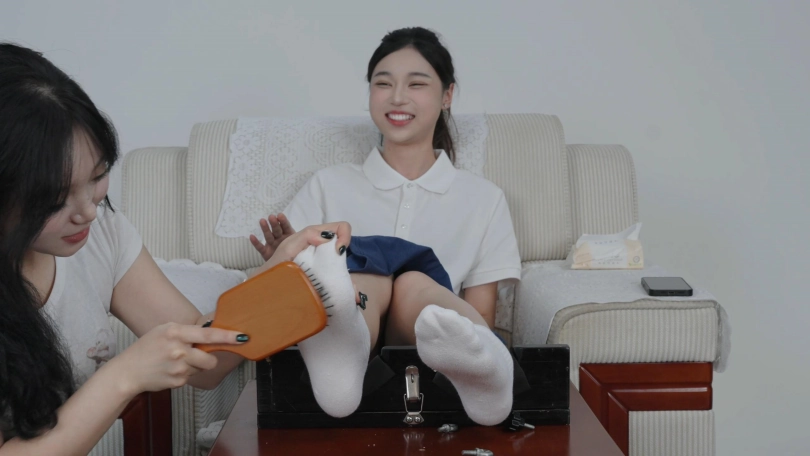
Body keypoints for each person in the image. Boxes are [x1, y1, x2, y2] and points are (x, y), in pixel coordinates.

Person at [0, 42, 351, 453]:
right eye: (56, 200)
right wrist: (124, 375)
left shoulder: (103, 235)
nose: (89, 212)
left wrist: (275, 274)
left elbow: (205, 362)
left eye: (97, 177)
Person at [250, 27, 522, 426]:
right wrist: (282, 260)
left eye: (416, 83)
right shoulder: (328, 184)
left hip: (432, 352)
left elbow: (479, 313)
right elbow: (283, 298)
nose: (397, 97)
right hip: (350, 328)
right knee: (359, 278)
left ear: (447, 95)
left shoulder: (483, 198)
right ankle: (342, 346)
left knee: (412, 284)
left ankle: (486, 370)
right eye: (383, 83)